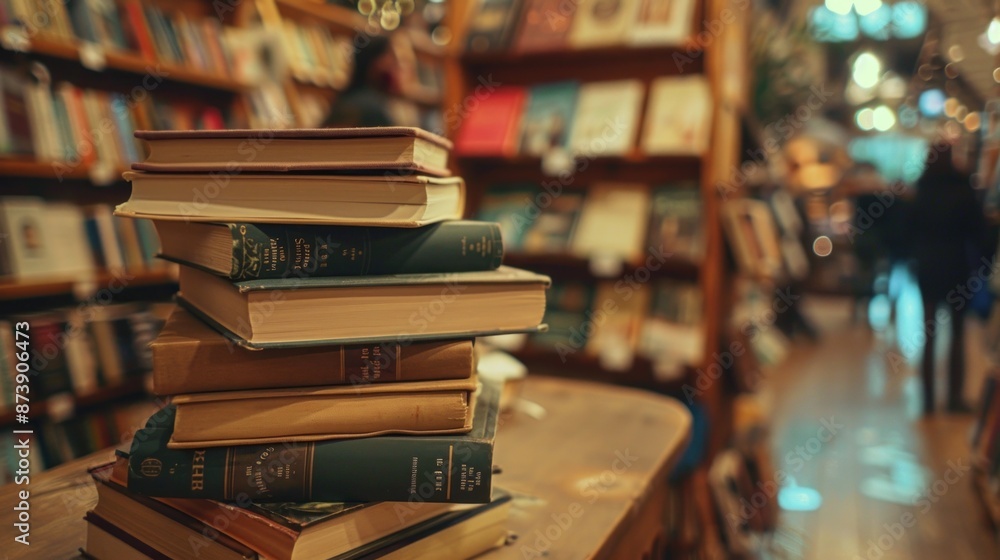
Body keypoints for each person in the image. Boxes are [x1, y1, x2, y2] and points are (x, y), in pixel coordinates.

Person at [908, 145, 985, 414]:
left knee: (928, 334)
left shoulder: (922, 190)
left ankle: (927, 400)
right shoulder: (963, 189)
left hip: (927, 265)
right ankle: (954, 399)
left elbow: (909, 230)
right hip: (956, 265)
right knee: (957, 334)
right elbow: (977, 230)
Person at [321, 35, 404, 128]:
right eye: (393, 59)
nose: (399, 66)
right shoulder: (372, 109)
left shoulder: (343, 101)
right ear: (375, 63)